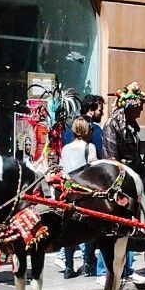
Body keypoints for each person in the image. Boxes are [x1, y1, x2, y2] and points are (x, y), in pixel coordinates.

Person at [100, 81, 145, 285]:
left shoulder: (132, 125)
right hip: (120, 181)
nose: (141, 110)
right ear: (130, 106)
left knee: (129, 226)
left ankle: (126, 267)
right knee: (114, 227)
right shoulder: (113, 125)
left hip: (133, 179)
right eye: (139, 106)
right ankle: (107, 270)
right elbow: (112, 158)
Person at [57, 118, 98, 278]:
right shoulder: (90, 147)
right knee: (88, 228)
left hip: (68, 192)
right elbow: (94, 169)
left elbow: (63, 169)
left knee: (69, 228)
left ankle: (68, 267)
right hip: (84, 192)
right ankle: (88, 263)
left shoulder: (66, 148)